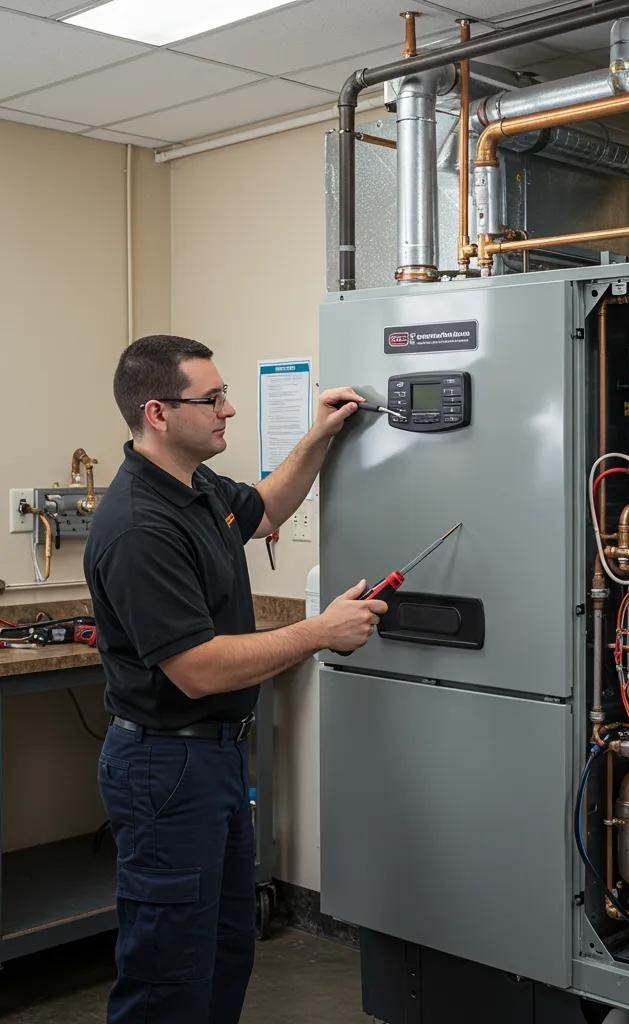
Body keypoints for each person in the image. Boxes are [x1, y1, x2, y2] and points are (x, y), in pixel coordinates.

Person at [84, 335, 387, 1023]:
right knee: (168, 973)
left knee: (224, 951)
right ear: (158, 413)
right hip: (166, 765)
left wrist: (319, 435)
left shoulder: (196, 489)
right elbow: (194, 670)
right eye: (212, 398)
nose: (228, 410)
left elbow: (268, 508)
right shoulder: (139, 524)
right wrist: (319, 632)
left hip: (214, 757)